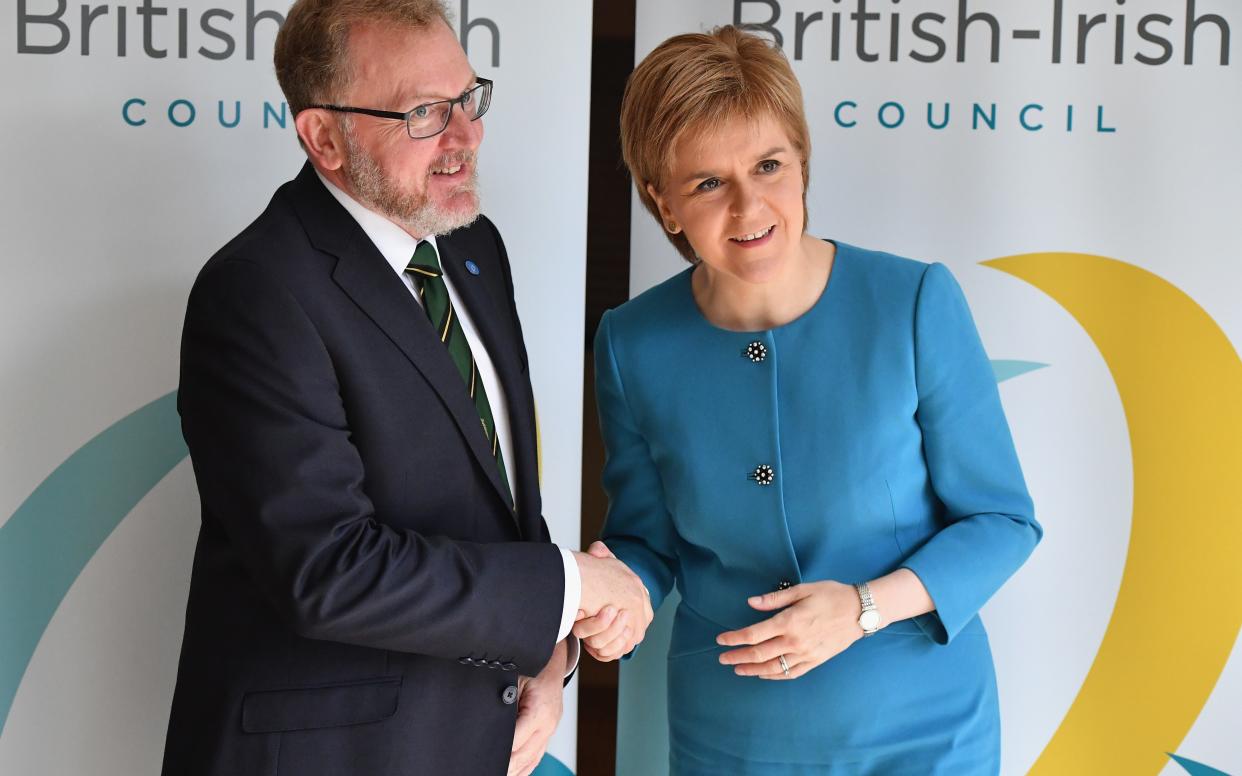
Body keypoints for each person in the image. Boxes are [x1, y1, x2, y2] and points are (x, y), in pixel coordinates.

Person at [160, 2, 650, 775]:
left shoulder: (472, 248)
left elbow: (496, 500)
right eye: (425, 113)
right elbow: (327, 569)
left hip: (474, 741)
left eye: (467, 100)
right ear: (324, 138)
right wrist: (568, 583)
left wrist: (547, 660)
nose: (467, 137)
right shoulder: (255, 293)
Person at [578, 26, 1042, 774]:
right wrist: (623, 593)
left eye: (769, 165)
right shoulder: (631, 343)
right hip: (729, 737)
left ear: (803, 162)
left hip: (922, 732)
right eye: (707, 183)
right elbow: (646, 537)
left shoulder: (914, 302)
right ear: (664, 205)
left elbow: (1002, 521)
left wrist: (862, 608)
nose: (749, 206)